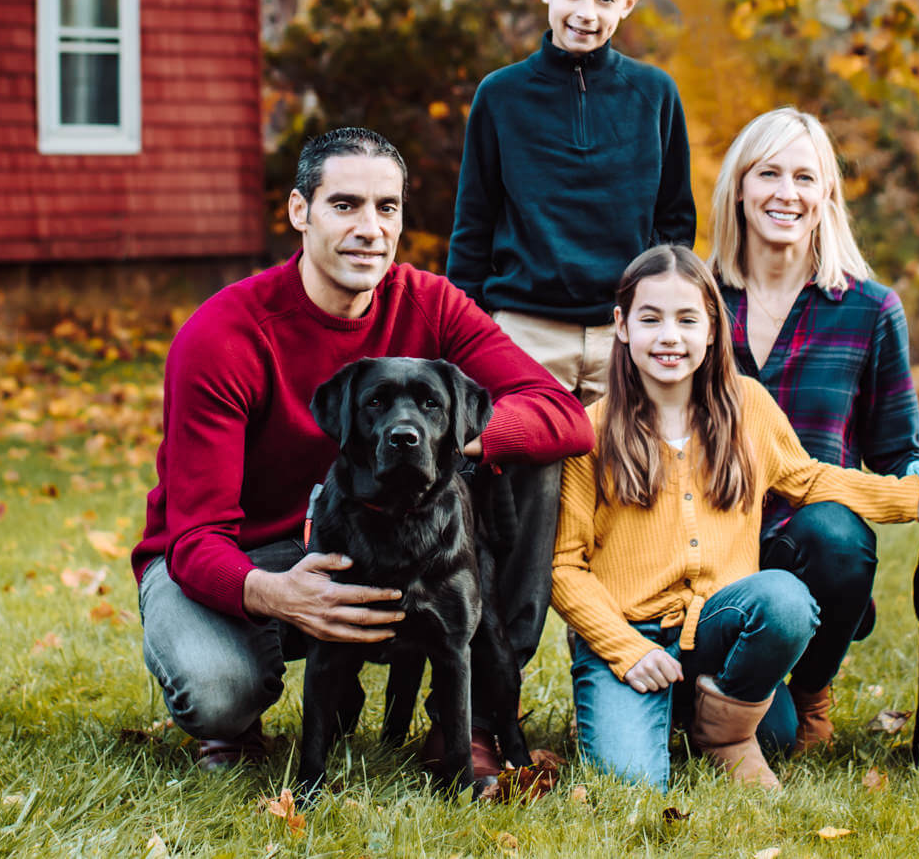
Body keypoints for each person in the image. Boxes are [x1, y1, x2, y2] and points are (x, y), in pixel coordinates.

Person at [131, 127, 593, 773]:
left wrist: (446, 434)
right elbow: (195, 537)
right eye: (344, 205)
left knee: (533, 454)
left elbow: (563, 415)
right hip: (246, 556)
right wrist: (276, 592)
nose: (370, 228)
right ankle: (234, 724)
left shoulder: (429, 305)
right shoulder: (224, 336)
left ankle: (474, 718)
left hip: (383, 537)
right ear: (301, 212)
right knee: (218, 689)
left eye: (387, 208)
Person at [550, 246, 919, 791]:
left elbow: (810, 479)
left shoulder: (748, 407)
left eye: (688, 319)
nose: (670, 336)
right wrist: (625, 649)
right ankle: (644, 702)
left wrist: (912, 496)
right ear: (621, 325)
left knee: (784, 610)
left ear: (713, 328)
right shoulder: (589, 432)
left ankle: (722, 731)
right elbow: (564, 567)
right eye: (651, 319)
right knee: (630, 783)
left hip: (716, 626)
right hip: (630, 632)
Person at [708, 108, 919, 753]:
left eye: (805, 176)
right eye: (768, 173)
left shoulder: (869, 309)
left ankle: (811, 689)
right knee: (754, 737)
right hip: (707, 543)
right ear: (740, 187)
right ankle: (733, 689)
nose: (786, 192)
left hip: (808, 543)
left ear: (826, 192)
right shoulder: (697, 299)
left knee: (837, 531)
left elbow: (895, 447)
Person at [447, 0, 697, 404]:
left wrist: (656, 317)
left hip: (623, 334)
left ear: (629, 2)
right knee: (527, 481)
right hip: (524, 334)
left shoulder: (655, 95)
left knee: (627, 478)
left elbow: (675, 224)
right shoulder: (500, 96)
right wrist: (466, 334)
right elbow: (473, 225)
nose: (586, 12)